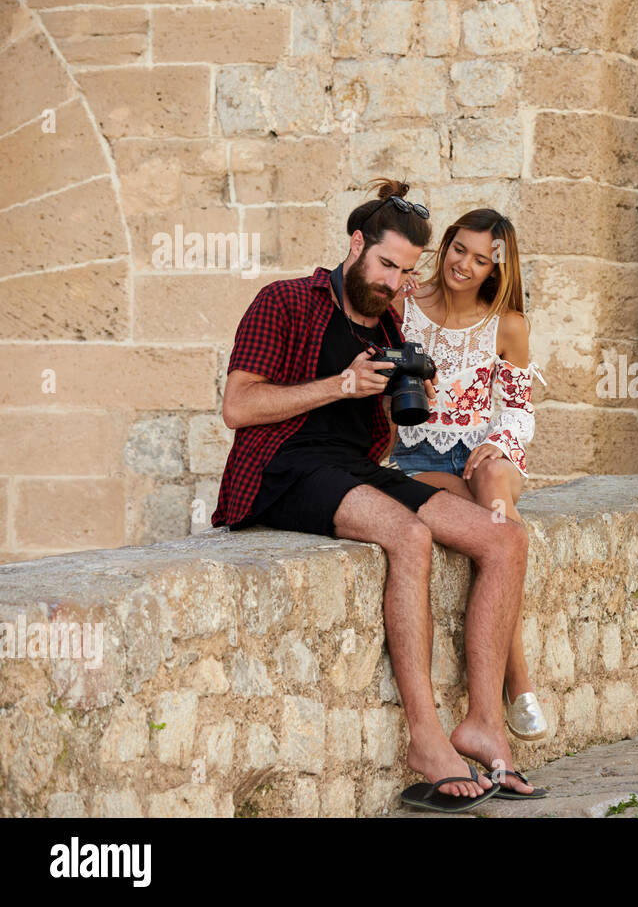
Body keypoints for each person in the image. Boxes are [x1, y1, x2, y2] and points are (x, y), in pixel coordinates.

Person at [210, 178, 541, 811]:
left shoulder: (393, 321)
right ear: (356, 243)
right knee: (409, 536)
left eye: (405, 270)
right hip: (280, 468)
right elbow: (237, 406)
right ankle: (426, 741)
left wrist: (407, 394)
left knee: (504, 537)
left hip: (354, 468)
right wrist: (340, 383)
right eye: (386, 264)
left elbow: (395, 420)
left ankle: (483, 724)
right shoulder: (285, 301)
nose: (394, 281)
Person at [390, 208, 550, 742]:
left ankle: (506, 699)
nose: (464, 264)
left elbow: (519, 413)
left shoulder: (507, 325)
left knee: (497, 489)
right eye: (460, 249)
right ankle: (519, 687)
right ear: (447, 245)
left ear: (496, 270)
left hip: (483, 455)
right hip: (414, 460)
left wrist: (493, 440)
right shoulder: (404, 304)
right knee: (502, 538)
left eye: (482, 259)